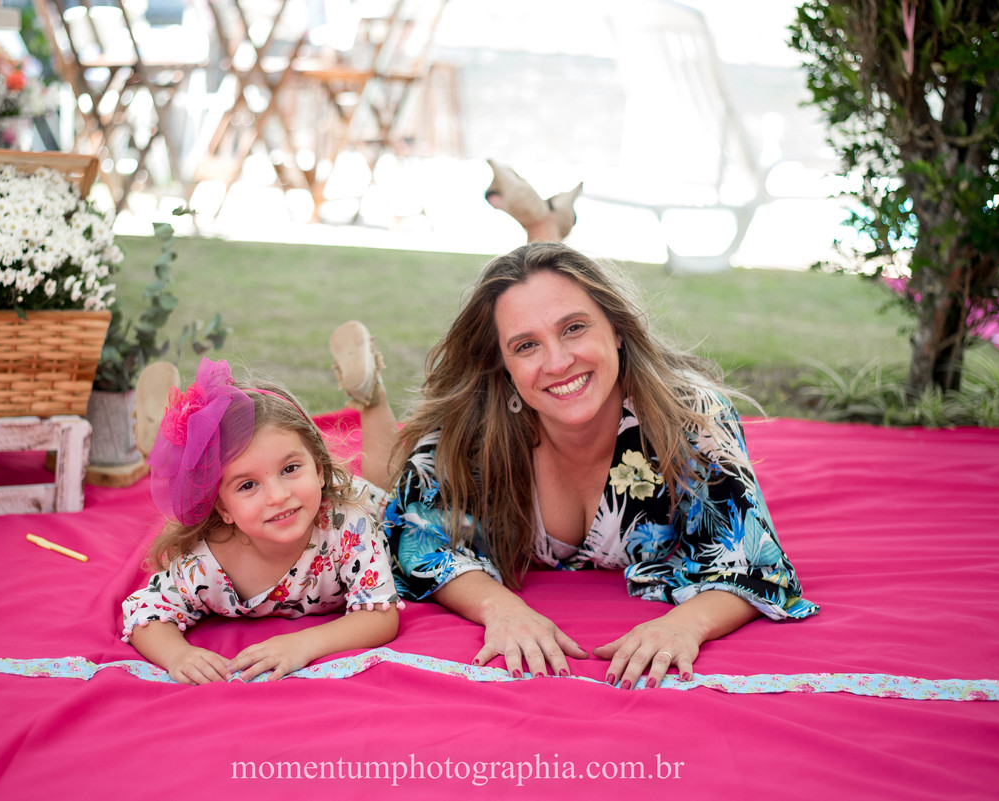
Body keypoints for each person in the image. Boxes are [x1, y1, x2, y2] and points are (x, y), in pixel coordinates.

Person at [329, 242, 818, 691]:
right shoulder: (475, 425)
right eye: (525, 345)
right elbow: (418, 540)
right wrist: (501, 608)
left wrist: (684, 625)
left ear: (618, 329)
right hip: (455, 443)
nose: (558, 361)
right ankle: (371, 397)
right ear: (503, 364)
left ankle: (546, 232)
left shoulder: (690, 417)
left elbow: (756, 564)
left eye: (574, 328)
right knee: (384, 497)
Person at [122, 358, 402, 685]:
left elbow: (380, 616)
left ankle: (372, 395)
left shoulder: (349, 528)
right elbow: (145, 613)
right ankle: (170, 446)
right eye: (248, 485)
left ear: (318, 469)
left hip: (377, 509)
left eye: (290, 469)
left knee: (392, 489)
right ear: (222, 508)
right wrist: (177, 655)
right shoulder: (205, 563)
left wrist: (304, 643)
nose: (278, 496)